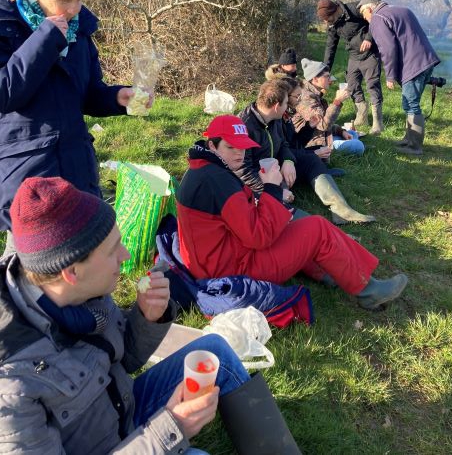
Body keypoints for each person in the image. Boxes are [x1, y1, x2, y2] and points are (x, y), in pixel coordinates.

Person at [0, 176, 301, 454]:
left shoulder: (76, 291)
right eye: (112, 251)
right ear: (72, 272)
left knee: (216, 351)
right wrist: (172, 428)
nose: (126, 256)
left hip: (120, 409)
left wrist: (147, 318)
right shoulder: (12, 388)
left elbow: (123, 360)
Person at [0, 0, 144, 254]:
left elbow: (88, 93)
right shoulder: (7, 24)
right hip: (29, 172)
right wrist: (47, 38)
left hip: (77, 166)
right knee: (30, 272)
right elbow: (6, 92)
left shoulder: (79, 30)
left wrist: (117, 97)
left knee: (89, 266)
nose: (74, 8)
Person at [176, 115, 407, 308]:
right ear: (212, 146)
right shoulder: (218, 181)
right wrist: (272, 189)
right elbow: (258, 236)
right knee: (315, 229)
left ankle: (334, 272)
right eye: (230, 147)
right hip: (231, 270)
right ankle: (367, 291)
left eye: (243, 147)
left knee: (298, 224)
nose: (239, 154)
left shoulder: (201, 170)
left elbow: (239, 222)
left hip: (215, 260)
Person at [237, 79, 375, 224]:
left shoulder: (274, 117)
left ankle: (342, 211)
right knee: (281, 213)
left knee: (311, 160)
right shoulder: (244, 125)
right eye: (286, 103)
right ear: (277, 106)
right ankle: (320, 233)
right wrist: (273, 189)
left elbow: (284, 144)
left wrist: (288, 161)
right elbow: (243, 170)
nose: (289, 108)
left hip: (277, 170)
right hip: (260, 182)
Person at [358, 0, 441, 155]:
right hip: (427, 60)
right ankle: (408, 139)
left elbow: (388, 49)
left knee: (411, 104)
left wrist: (390, 75)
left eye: (363, 13)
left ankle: (414, 147)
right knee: (410, 103)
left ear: (369, 7)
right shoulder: (402, 10)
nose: (365, 18)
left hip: (413, 64)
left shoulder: (377, 18)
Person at [317, 0, 383, 134]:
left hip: (370, 54)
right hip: (353, 56)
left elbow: (375, 20)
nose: (327, 23)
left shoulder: (355, 9)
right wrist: (325, 71)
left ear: (334, 11)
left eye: (328, 19)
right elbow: (330, 47)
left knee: (372, 85)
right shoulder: (333, 25)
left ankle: (378, 123)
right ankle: (362, 117)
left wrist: (369, 38)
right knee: (352, 85)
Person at [292, 58, 365, 156]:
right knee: (358, 145)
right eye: (327, 76)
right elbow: (323, 125)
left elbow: (325, 123)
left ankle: (349, 148)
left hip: (323, 135)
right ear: (315, 79)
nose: (331, 80)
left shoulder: (315, 94)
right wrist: (337, 101)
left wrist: (341, 131)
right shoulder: (306, 97)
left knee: (352, 134)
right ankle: (348, 151)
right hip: (313, 143)